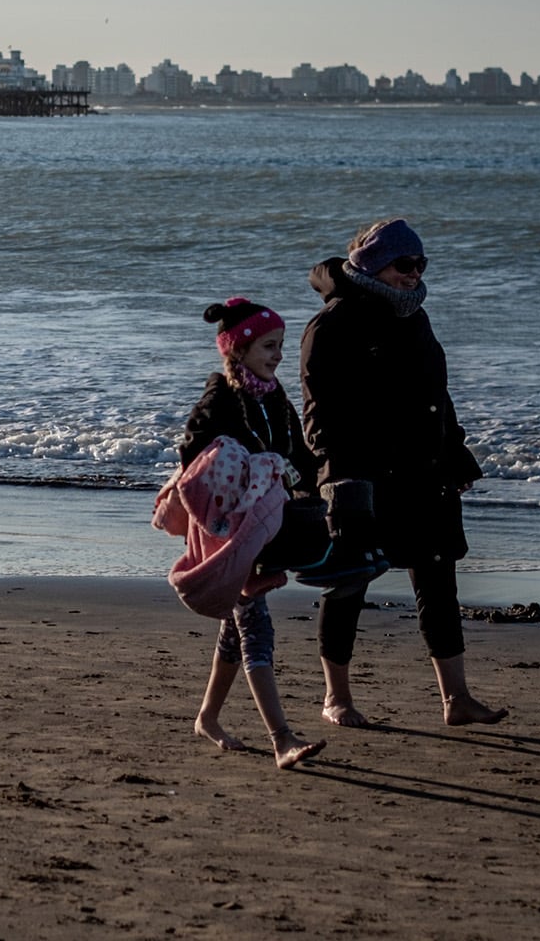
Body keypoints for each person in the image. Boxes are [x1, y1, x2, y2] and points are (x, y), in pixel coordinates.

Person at [299, 219, 508, 728]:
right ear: (373, 265)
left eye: (421, 264)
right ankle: (337, 699)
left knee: (439, 583)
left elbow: (438, 397)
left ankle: (456, 699)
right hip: (362, 481)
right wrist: (337, 480)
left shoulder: (416, 318)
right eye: (403, 265)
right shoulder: (333, 324)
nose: (414, 274)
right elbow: (317, 415)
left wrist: (456, 456)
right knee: (349, 584)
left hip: (425, 475)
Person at [175, 298, 326, 769]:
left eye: (281, 345)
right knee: (254, 627)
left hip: (264, 526)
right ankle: (282, 739)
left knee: (234, 630)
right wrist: (239, 472)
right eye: (268, 345)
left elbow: (297, 452)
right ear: (238, 348)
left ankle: (207, 716)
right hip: (228, 531)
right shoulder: (220, 396)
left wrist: (316, 485)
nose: (279, 354)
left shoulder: (274, 394)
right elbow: (192, 457)